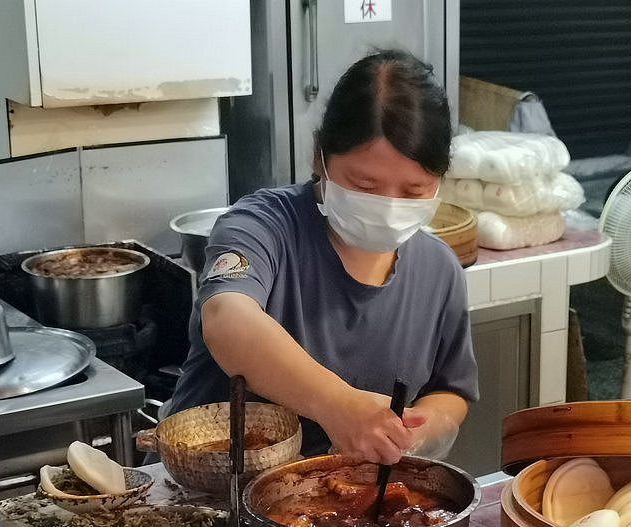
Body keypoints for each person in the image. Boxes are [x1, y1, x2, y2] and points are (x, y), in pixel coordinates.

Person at [167, 49, 478, 465]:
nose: (387, 205)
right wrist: (339, 405)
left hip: (345, 498)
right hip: (214, 489)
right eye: (365, 184)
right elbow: (227, 319)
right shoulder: (263, 226)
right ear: (320, 158)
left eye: (413, 191)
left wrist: (415, 432)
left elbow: (450, 389)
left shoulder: (438, 269)